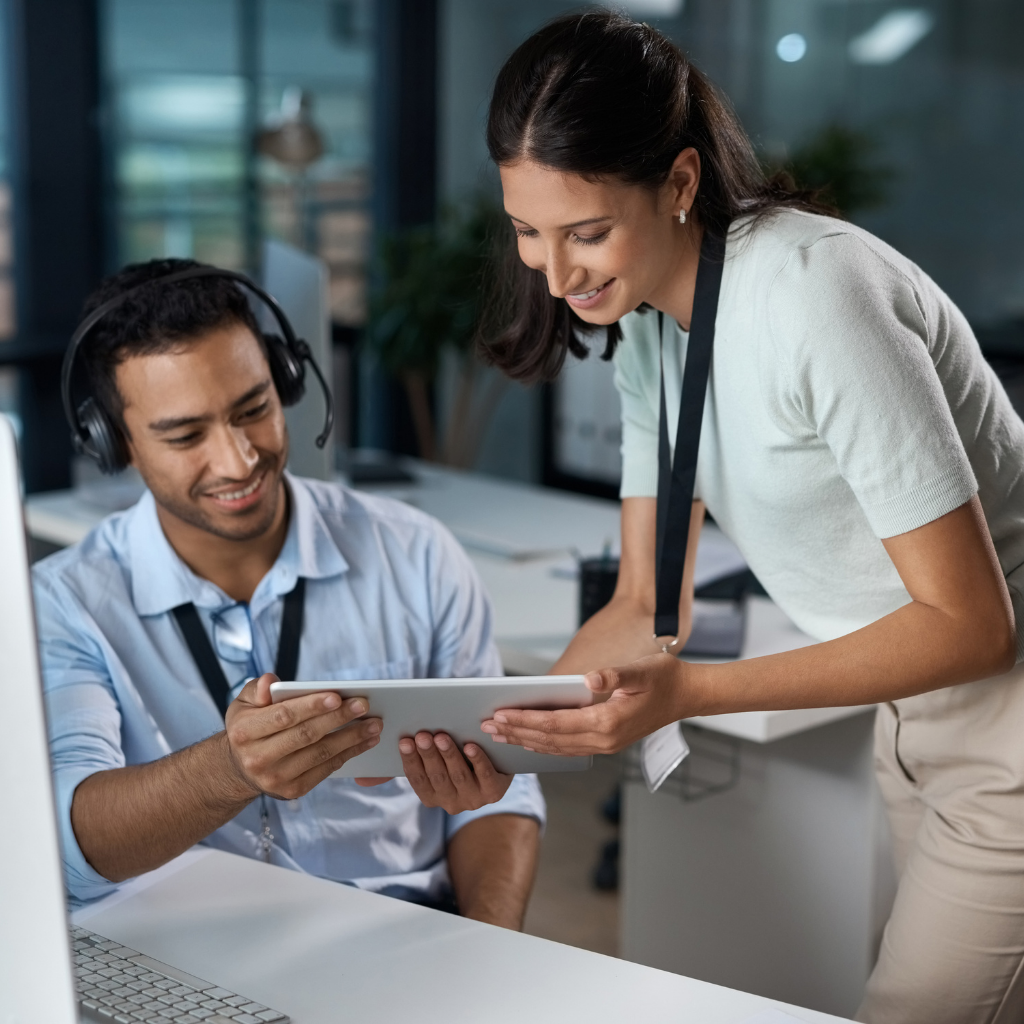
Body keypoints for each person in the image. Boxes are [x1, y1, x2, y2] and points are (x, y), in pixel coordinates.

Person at [476, 11, 1024, 1023]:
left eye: (585, 230)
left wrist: (687, 693)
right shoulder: (648, 326)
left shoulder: (816, 296)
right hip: (912, 719)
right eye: (526, 231)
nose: (555, 276)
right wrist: (495, 736)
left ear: (680, 185)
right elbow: (646, 599)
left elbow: (972, 625)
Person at [36, 259, 543, 930]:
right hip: (189, 951)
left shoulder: (416, 554)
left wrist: (492, 951)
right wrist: (229, 768)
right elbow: (69, 848)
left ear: (287, 384)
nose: (239, 459)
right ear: (114, 443)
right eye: (186, 435)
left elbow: (499, 798)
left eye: (255, 410)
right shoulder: (65, 603)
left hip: (399, 930)